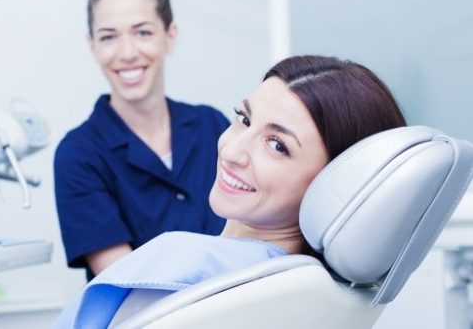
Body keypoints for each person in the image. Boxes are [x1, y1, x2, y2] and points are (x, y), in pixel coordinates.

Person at [53, 55, 407, 328]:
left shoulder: (175, 265)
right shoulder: (325, 290)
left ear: (335, 182)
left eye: (277, 145)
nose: (232, 150)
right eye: (244, 119)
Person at [54, 0, 231, 280]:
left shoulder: (213, 127)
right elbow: (129, 284)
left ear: (170, 35)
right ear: (91, 45)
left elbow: (259, 230)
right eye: (109, 37)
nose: (127, 53)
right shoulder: (79, 154)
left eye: (142, 33)